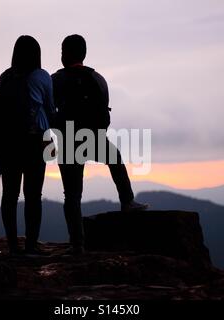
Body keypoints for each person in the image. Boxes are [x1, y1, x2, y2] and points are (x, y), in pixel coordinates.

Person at [51, 34, 148, 254]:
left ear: (65, 54)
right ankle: (127, 201)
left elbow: (48, 111)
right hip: (93, 137)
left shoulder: (55, 80)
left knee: (72, 195)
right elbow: (104, 114)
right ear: (84, 54)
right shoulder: (98, 78)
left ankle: (77, 244)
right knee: (114, 159)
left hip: (67, 141)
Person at [0, 35, 55, 255]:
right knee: (33, 195)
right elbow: (50, 108)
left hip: (9, 142)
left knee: (9, 195)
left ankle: (12, 245)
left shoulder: (5, 77)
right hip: (36, 140)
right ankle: (31, 244)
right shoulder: (42, 76)